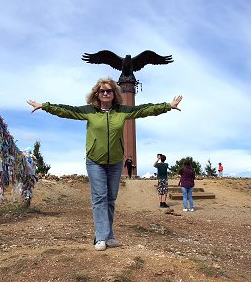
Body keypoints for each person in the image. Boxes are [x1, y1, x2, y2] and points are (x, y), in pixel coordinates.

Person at [27, 77, 183, 251]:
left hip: (116, 162)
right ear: (97, 94)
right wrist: (45, 106)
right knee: (99, 198)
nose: (106, 93)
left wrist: (167, 106)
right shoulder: (89, 111)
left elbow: (144, 110)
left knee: (110, 200)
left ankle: (108, 236)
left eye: (109, 91)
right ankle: (100, 237)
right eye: (102, 91)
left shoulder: (121, 111)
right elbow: (67, 111)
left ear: (114, 94)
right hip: (95, 162)